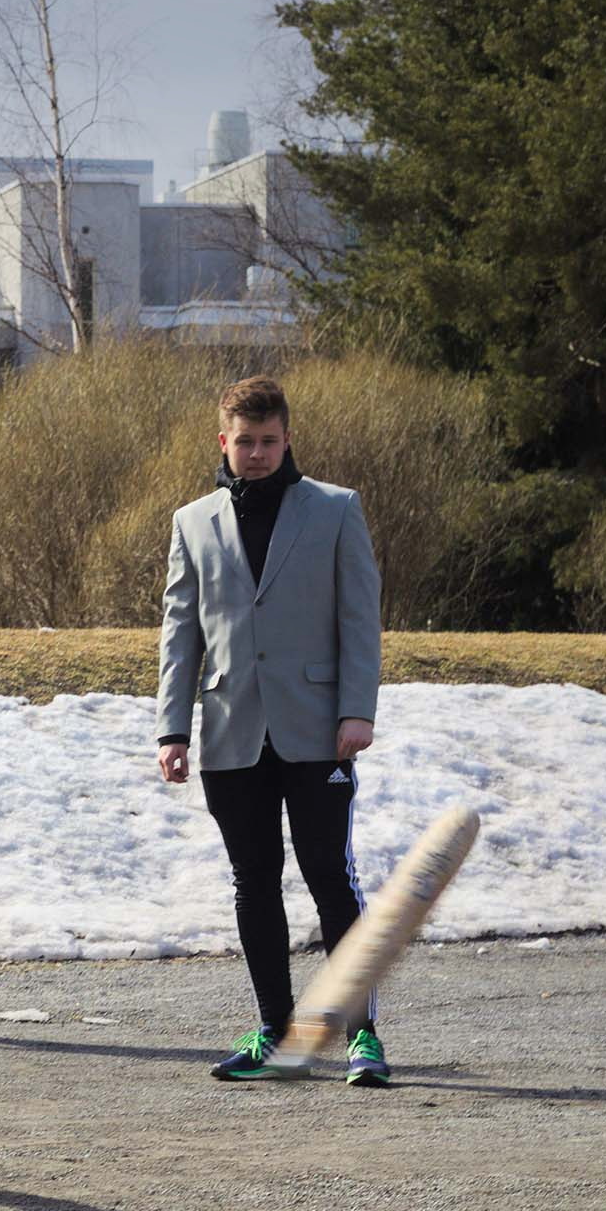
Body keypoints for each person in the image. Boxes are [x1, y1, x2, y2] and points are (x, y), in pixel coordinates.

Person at [155, 373, 391, 1085]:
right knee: (252, 881)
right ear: (222, 442)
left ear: (286, 439)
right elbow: (180, 632)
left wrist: (358, 709)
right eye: (244, 442)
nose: (256, 454)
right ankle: (277, 1030)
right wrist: (173, 729)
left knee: (329, 875)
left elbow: (359, 618)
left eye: (268, 441)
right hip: (232, 729)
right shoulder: (191, 523)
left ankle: (361, 1035)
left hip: (319, 727)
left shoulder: (335, 510)